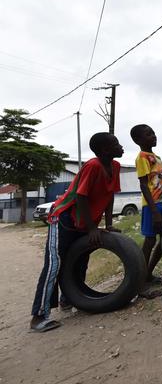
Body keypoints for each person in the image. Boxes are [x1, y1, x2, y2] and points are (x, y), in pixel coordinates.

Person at [30, 132, 124, 332]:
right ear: (105, 150)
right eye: (116, 143)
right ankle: (38, 316)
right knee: (54, 264)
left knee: (80, 261)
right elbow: (81, 197)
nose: (121, 146)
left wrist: (107, 224)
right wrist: (91, 228)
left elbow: (109, 196)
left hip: (84, 222)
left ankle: (69, 299)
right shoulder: (93, 166)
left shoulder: (115, 166)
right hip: (64, 219)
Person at [130, 124, 162, 288]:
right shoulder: (143, 157)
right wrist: (154, 211)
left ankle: (148, 273)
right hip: (152, 207)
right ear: (138, 140)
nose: (153, 135)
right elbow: (144, 185)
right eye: (148, 134)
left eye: (153, 132)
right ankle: (141, 278)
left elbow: (159, 184)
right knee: (150, 241)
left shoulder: (155, 157)